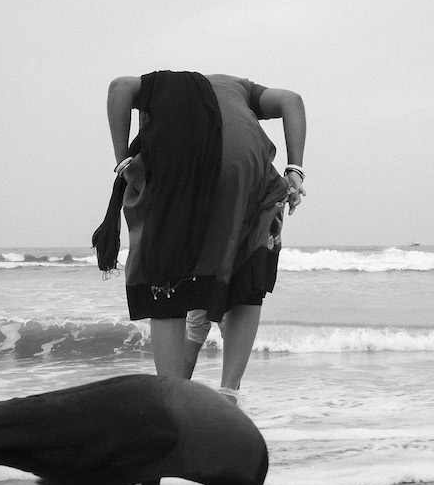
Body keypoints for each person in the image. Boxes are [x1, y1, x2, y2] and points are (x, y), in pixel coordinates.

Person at [93, 70, 307, 402]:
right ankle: (229, 393)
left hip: (177, 163)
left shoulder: (161, 87)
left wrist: (122, 161)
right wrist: (294, 170)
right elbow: (292, 100)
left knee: (164, 277)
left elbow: (119, 86)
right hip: (246, 162)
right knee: (247, 272)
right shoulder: (243, 90)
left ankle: (173, 398)